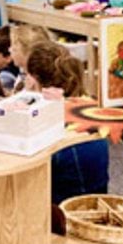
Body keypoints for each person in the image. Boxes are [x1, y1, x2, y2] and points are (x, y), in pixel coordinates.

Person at [25, 37, 109, 206]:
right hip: (96, 198)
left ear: (34, 78)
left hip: (62, 209)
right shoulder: (86, 107)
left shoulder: (47, 121)